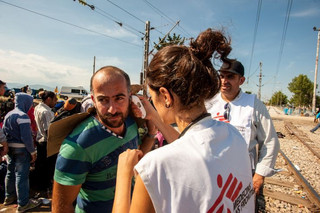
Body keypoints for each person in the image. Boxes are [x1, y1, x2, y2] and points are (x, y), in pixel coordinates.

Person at [112, 28, 254, 213]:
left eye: (152, 94)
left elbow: (183, 152)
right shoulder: (233, 135)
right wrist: (154, 117)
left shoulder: (156, 166)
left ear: (165, 95)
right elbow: (191, 145)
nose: (153, 101)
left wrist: (123, 175)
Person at [52, 66, 157, 213]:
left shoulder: (130, 123)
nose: (112, 109)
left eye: (119, 98)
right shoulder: (77, 146)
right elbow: (61, 208)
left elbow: (136, 161)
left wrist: (151, 134)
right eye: (103, 100)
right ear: (94, 100)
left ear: (130, 96)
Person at [205, 59, 280, 195]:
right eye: (222, 76)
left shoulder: (254, 105)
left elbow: (270, 141)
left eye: (230, 77)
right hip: (212, 172)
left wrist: (259, 174)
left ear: (241, 80)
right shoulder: (208, 103)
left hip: (243, 175)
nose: (224, 81)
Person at [2, 93, 41, 212]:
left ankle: (9, 197)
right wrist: (32, 151)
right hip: (22, 149)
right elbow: (26, 137)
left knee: (10, 173)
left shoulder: (9, 115)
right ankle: (23, 203)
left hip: (10, 148)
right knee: (22, 176)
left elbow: (3, 132)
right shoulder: (23, 116)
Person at [34, 91, 57, 191]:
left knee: (40, 165)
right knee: (48, 167)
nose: (56, 102)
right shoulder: (46, 112)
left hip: (40, 140)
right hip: (47, 142)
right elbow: (49, 131)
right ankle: (45, 187)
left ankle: (40, 186)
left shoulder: (38, 108)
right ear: (48, 99)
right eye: (55, 99)